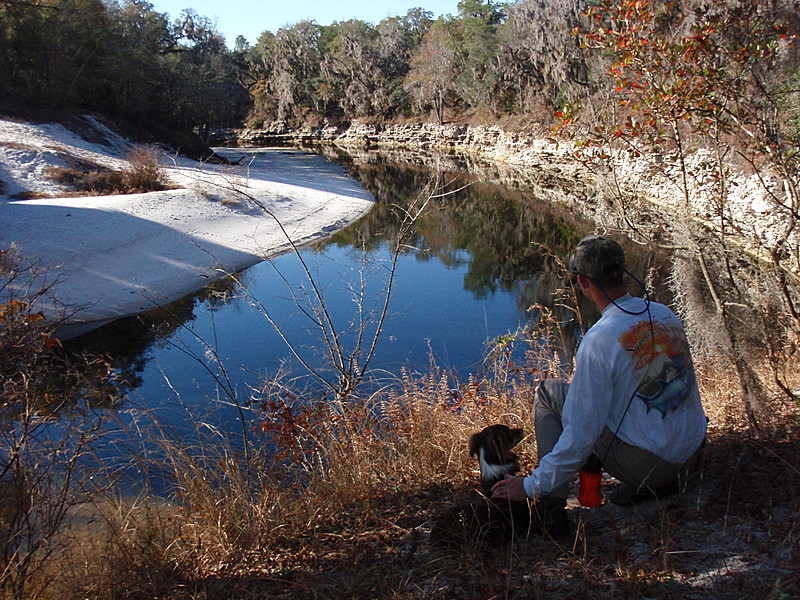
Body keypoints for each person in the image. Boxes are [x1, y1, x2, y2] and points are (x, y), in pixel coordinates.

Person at [491, 235, 707, 533]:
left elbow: (581, 434)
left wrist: (530, 486)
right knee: (593, 399)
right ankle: (654, 485)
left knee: (549, 395)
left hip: (651, 466)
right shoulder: (663, 312)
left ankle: (551, 512)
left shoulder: (599, 339)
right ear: (621, 272)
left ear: (583, 282)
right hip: (692, 453)